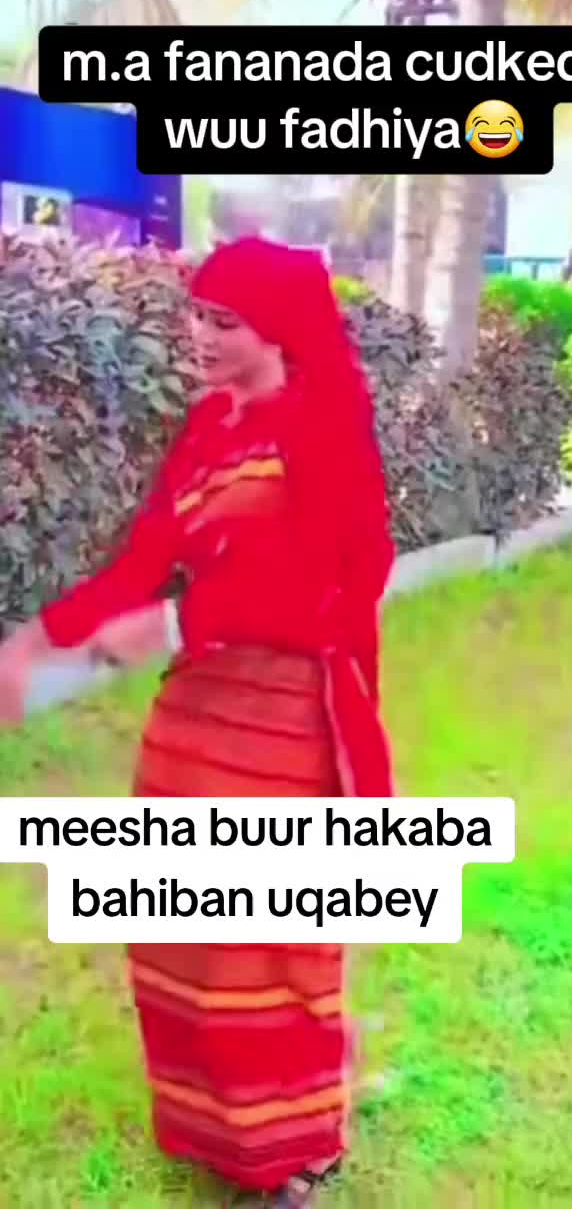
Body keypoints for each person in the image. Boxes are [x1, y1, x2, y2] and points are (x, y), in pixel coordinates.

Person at [0, 237, 396, 1206]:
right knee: (180, 932)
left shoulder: (322, 425)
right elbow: (143, 561)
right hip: (195, 718)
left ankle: (298, 1145)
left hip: (287, 715)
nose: (200, 336)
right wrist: (32, 641)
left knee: (262, 943)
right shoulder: (210, 429)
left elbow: (336, 586)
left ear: (279, 331)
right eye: (197, 315)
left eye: (225, 322)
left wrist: (179, 621)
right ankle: (212, 1130)